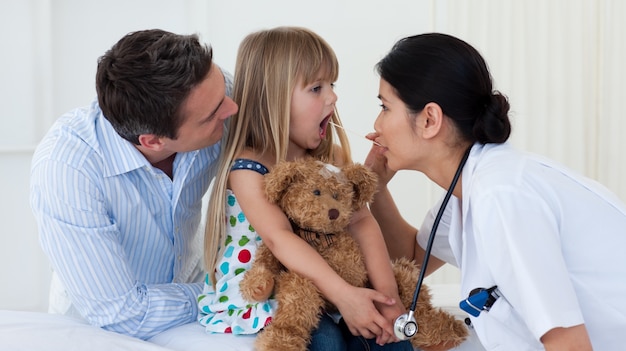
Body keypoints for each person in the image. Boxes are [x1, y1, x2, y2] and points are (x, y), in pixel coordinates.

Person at [364, 32, 626, 350]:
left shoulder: (501, 195)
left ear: (429, 119)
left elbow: (568, 344)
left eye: (384, 107)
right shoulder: (470, 189)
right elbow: (411, 259)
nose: (377, 124)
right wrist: (372, 186)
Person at [197, 27, 412, 351]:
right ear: (274, 97)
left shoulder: (331, 160)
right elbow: (278, 238)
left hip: (330, 285)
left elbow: (361, 223)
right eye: (316, 88)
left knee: (389, 338)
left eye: (332, 85)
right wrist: (343, 296)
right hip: (275, 290)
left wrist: (388, 298)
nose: (333, 97)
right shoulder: (249, 168)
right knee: (323, 340)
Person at [30, 29, 238, 340]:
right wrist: (231, 289)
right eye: (214, 115)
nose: (232, 109)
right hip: (99, 329)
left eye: (223, 90)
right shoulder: (68, 168)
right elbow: (120, 314)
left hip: (194, 297)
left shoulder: (210, 96)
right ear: (153, 141)